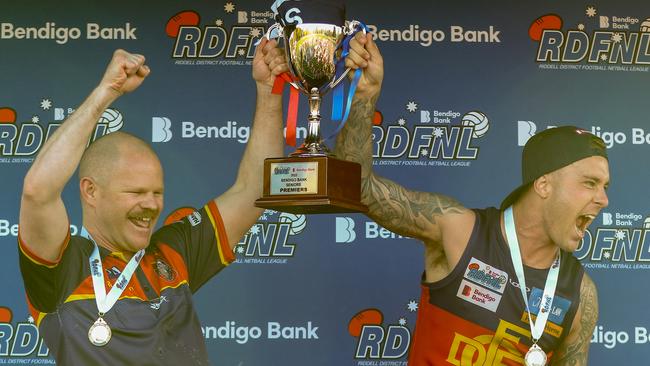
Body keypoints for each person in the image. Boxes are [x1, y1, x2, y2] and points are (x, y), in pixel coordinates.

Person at [338, 33, 609, 366]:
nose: (603, 199)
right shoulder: (461, 231)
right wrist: (364, 96)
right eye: (590, 183)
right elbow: (358, 189)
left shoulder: (581, 294)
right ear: (543, 184)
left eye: (604, 186)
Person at [18, 39, 288, 365]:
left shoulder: (175, 251)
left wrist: (269, 90)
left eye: (157, 192)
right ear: (90, 191)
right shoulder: (63, 267)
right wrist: (106, 93)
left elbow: (255, 190)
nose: (151, 204)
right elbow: (38, 190)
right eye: (135, 192)